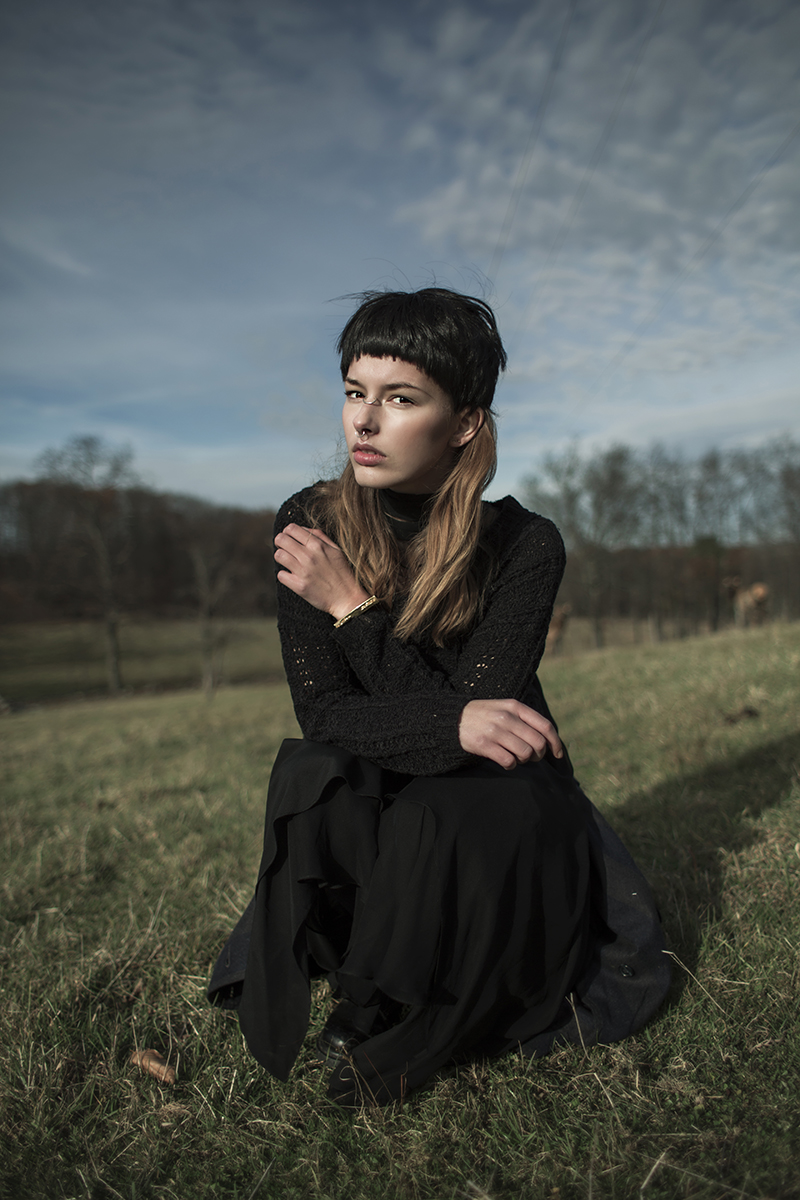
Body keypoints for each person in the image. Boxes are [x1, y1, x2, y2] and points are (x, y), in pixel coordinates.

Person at [208, 287, 670, 1106]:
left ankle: (383, 1011)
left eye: (400, 398)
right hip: (393, 779)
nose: (364, 421)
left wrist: (353, 610)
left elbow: (480, 737)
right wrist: (450, 713)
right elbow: (329, 712)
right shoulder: (312, 522)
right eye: (355, 393)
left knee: (441, 801)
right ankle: (372, 974)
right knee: (316, 770)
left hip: (504, 803)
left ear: (463, 423)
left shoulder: (526, 544)